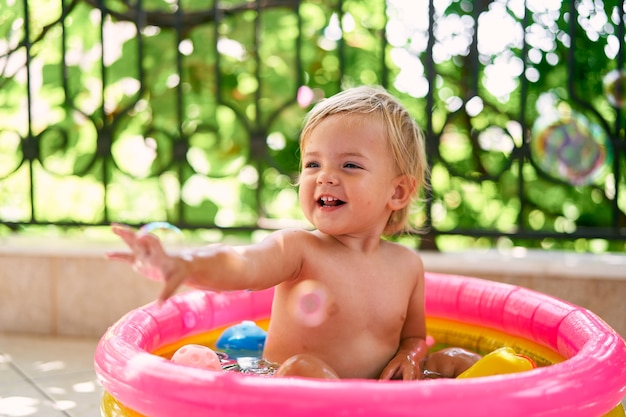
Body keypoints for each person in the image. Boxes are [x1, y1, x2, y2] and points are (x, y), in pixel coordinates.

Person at [107, 85, 434, 380]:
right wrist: (188, 264)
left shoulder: (406, 266)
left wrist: (411, 356)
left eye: (349, 165)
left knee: (451, 360)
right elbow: (241, 263)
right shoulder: (298, 249)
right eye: (312, 164)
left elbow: (414, 338)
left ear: (398, 192)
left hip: (372, 396)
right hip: (283, 395)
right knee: (302, 367)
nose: (325, 177)